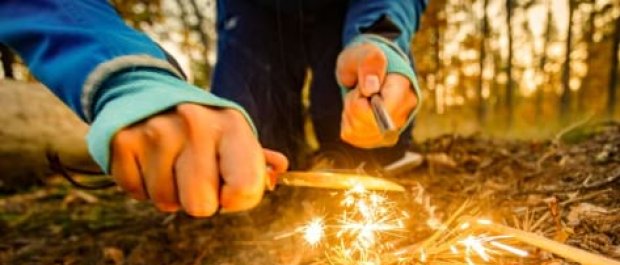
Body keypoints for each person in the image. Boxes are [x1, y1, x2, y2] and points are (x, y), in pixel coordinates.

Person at [0, 0, 426, 217]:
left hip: (351, 9)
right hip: (253, 16)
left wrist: (381, 35)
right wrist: (126, 75)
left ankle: (357, 150)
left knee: (369, 142)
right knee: (234, 159)